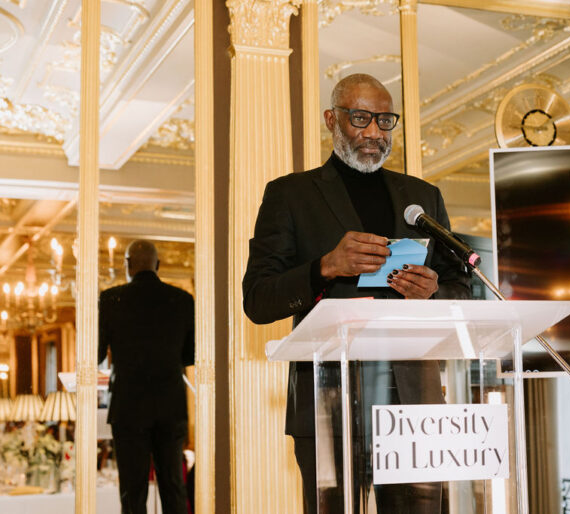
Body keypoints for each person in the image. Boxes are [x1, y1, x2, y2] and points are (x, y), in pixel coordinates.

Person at [242, 73, 471, 513]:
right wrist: (325, 267)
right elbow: (258, 299)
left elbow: (460, 284)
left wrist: (434, 292)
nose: (373, 133)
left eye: (385, 121)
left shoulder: (422, 197)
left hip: (414, 402)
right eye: (361, 118)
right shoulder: (290, 195)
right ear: (332, 119)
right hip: (328, 400)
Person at [99, 239, 194, 514]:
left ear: (127, 265)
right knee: (173, 488)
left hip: (128, 408)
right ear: (159, 265)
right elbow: (190, 355)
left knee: (132, 493)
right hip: (170, 407)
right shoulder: (183, 301)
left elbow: (95, 354)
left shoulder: (110, 300)